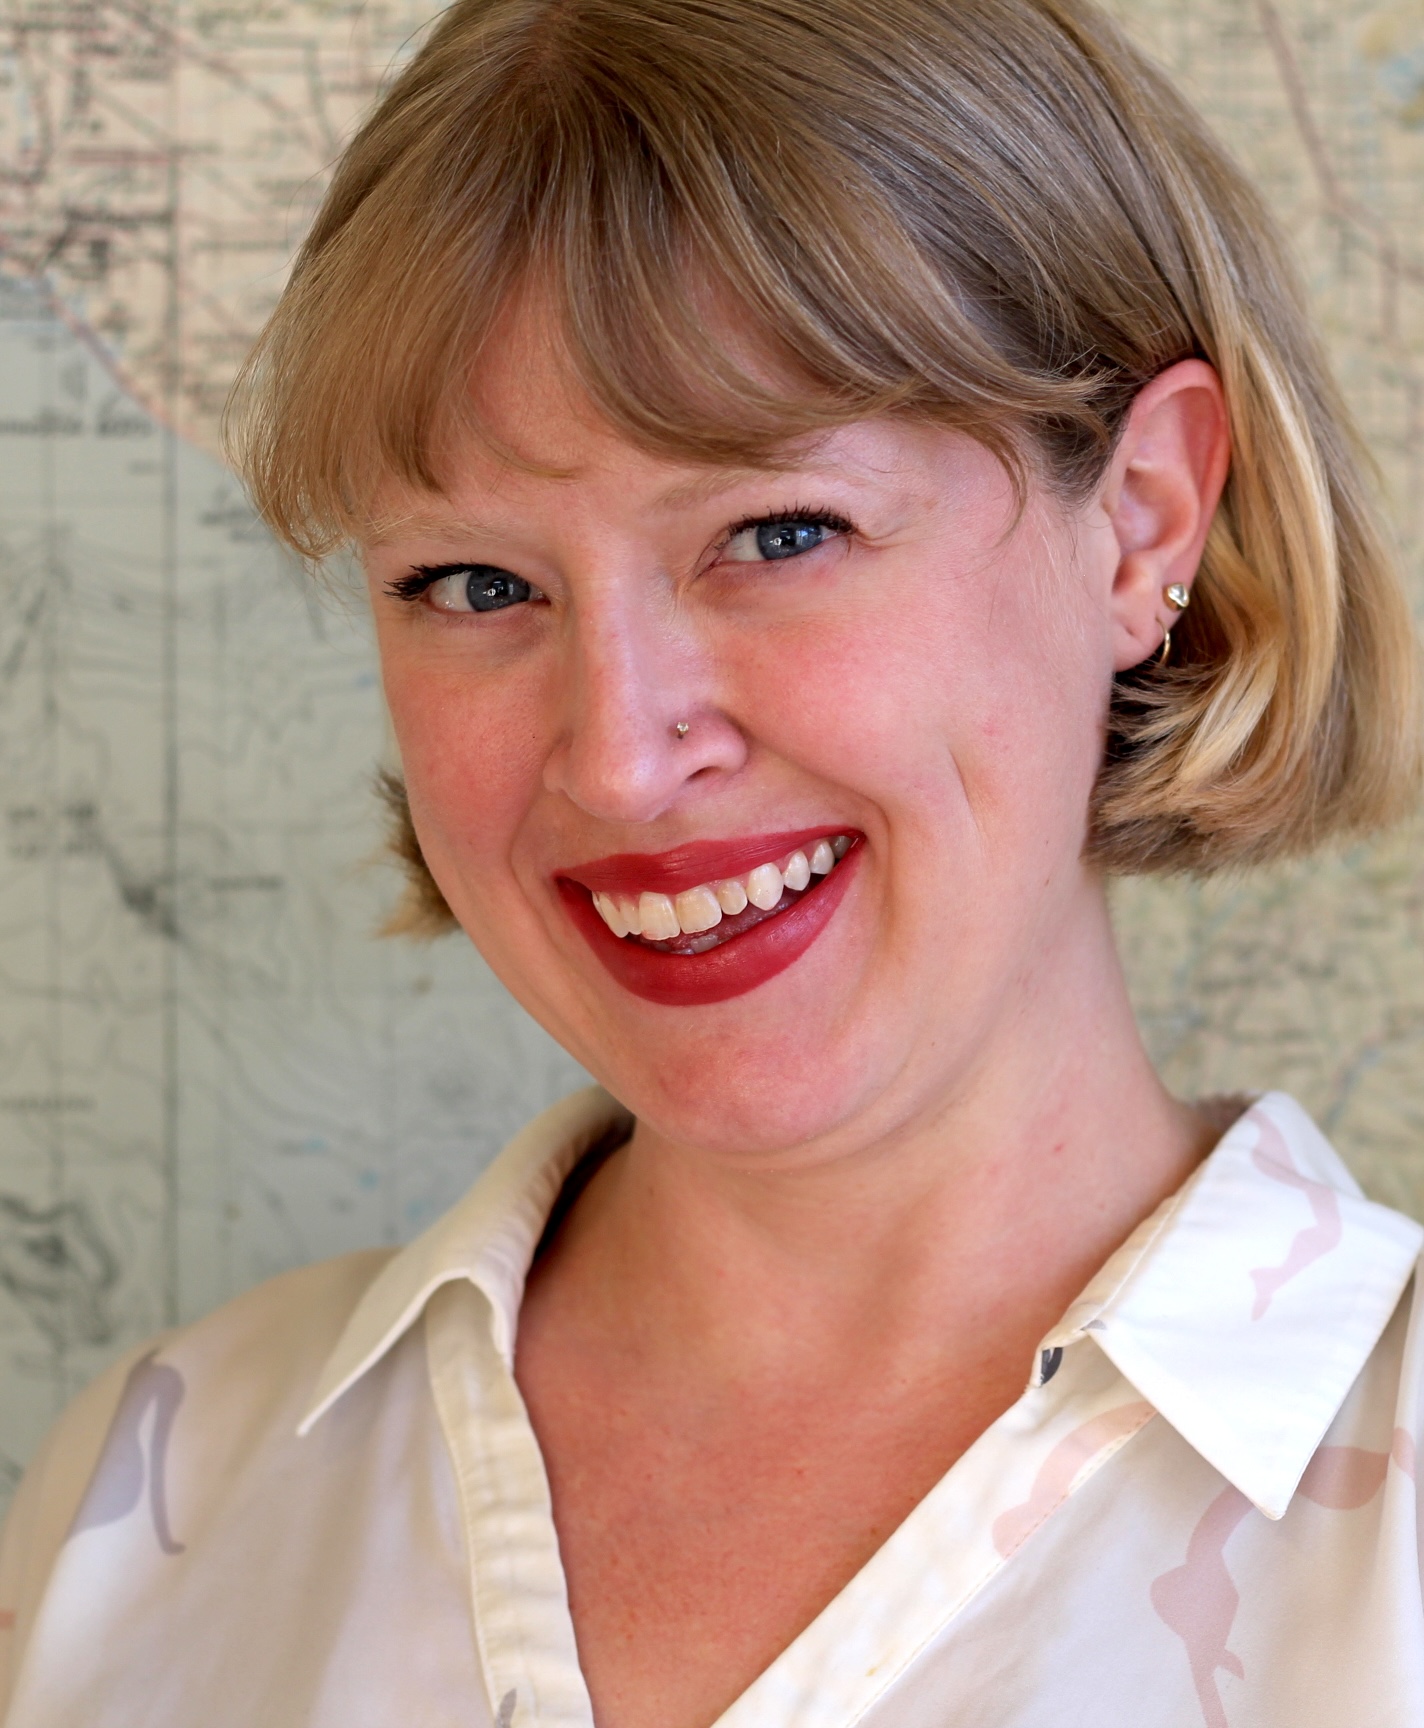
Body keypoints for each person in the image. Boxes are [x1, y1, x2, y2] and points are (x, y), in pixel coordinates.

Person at [2, 0, 1422, 1722]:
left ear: (1142, 518)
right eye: (474, 585)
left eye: (780, 533)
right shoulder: (141, 1517)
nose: (619, 752)